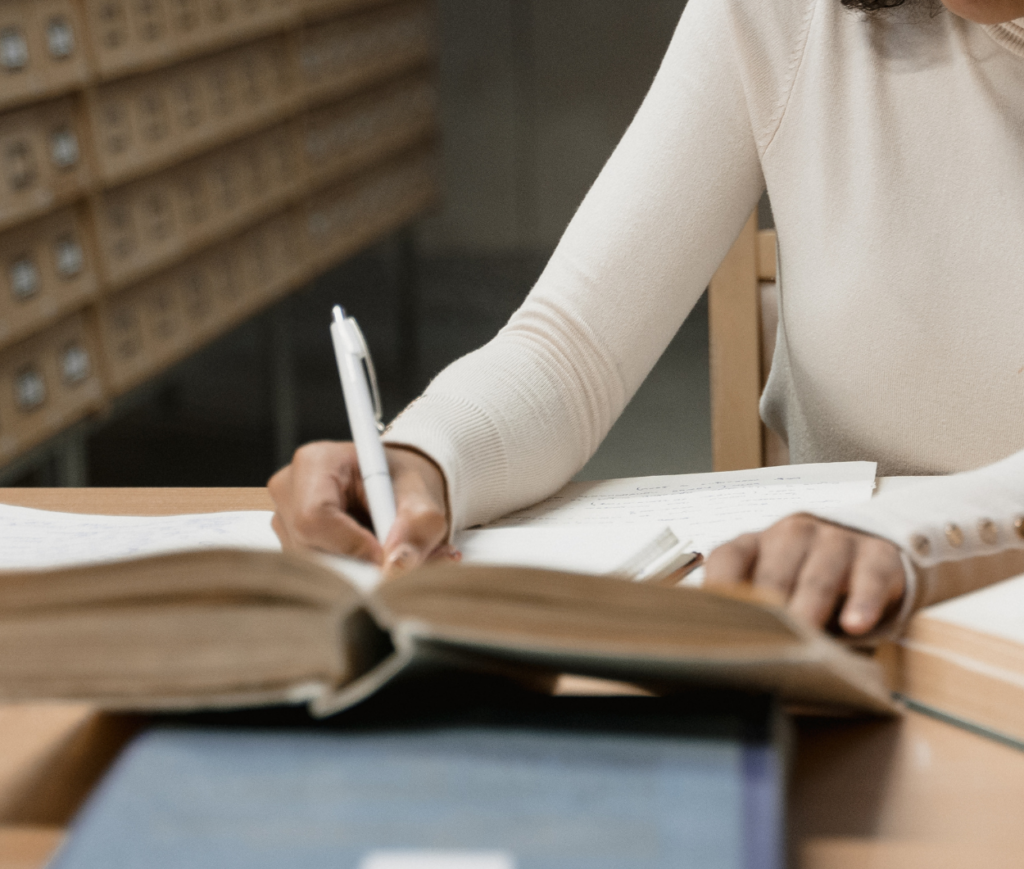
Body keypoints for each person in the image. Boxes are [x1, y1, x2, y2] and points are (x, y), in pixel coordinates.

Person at [270, 0, 1024, 637]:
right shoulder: (783, 15)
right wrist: (424, 460)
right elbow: (570, 354)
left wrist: (910, 538)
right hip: (854, 645)